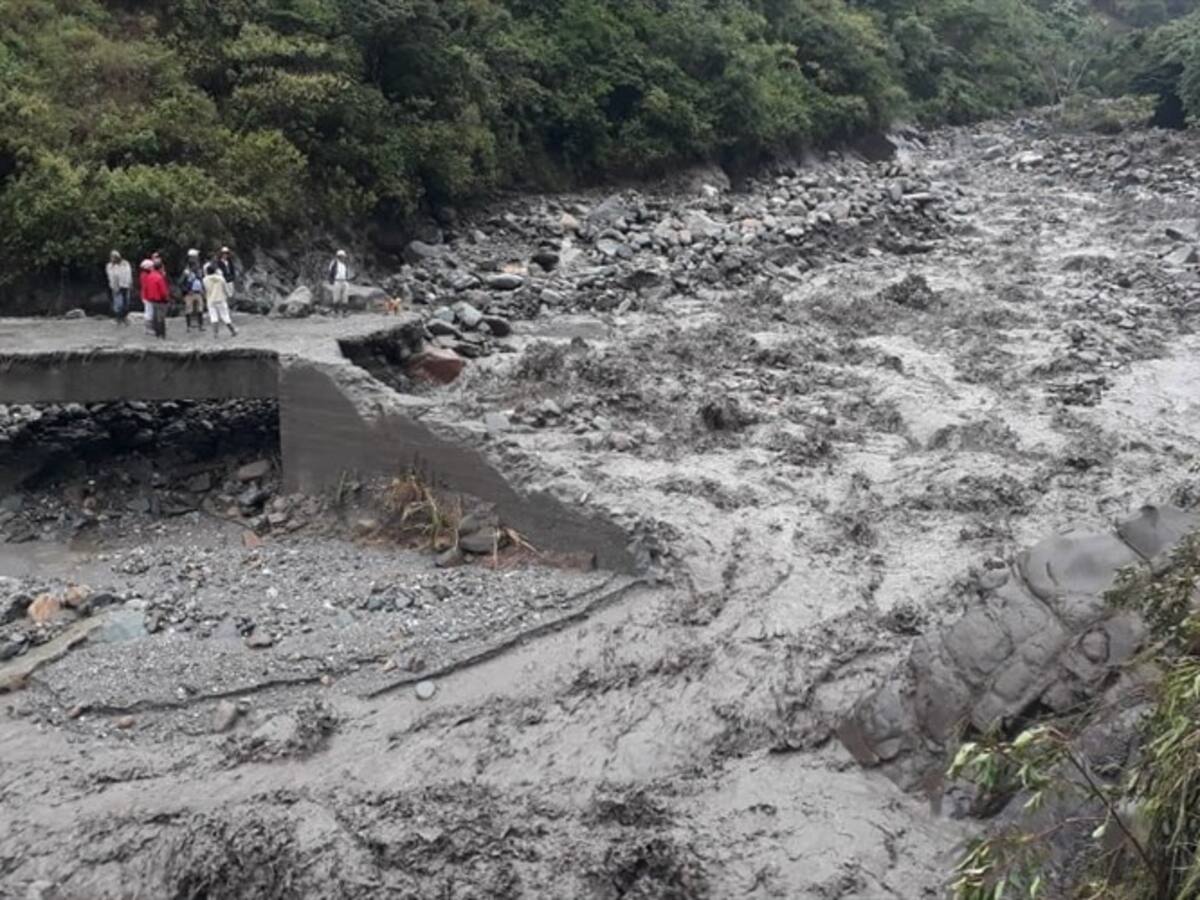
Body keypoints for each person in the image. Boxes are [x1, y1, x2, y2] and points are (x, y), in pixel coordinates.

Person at [203, 261, 237, 338]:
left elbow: (206, 289)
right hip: (221, 299)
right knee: (225, 315)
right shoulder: (221, 278)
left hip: (211, 300)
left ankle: (215, 333)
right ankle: (233, 331)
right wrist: (229, 294)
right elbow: (225, 288)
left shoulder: (205, 280)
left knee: (213, 316)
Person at [140, 259, 170, 338]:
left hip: (152, 298)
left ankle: (156, 332)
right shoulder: (159, 277)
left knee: (154, 315)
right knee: (161, 317)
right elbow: (163, 290)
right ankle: (161, 333)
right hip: (160, 299)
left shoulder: (149, 276)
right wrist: (166, 298)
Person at [178, 249, 206, 332]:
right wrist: (186, 290)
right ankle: (189, 326)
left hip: (198, 292)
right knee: (189, 309)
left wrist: (202, 289)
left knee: (200, 309)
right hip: (189, 293)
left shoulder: (199, 270)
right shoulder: (186, 271)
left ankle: (200, 325)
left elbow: (201, 280)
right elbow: (180, 282)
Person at [105, 250, 132, 326]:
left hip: (125, 285)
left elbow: (129, 274)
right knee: (118, 304)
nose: (112, 258)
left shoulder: (125, 264)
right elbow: (111, 276)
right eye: (111, 257)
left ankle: (124, 318)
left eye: (114, 257)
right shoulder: (109, 266)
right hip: (116, 286)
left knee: (126, 303)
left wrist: (130, 283)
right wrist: (114, 286)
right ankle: (118, 318)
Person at [328, 249, 350, 316]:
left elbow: (345, 273)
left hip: (344, 281)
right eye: (342, 256)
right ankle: (335, 312)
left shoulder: (344, 264)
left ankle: (345, 312)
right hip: (337, 281)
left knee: (345, 297)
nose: (344, 258)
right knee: (336, 297)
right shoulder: (334, 263)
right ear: (339, 256)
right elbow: (330, 272)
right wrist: (331, 281)